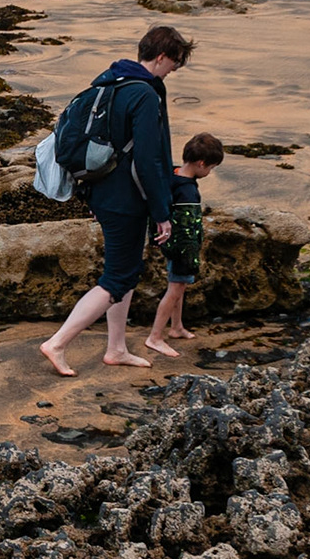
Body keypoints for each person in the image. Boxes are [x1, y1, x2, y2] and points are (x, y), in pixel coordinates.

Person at [39, 24, 194, 376]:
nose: (173, 71)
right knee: (118, 276)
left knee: (123, 272)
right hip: (126, 199)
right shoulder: (143, 94)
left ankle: (117, 348)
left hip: (103, 192)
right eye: (175, 64)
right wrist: (162, 212)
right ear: (161, 57)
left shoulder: (108, 83)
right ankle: (58, 343)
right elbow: (149, 160)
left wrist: (90, 196)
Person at [144, 133, 225, 358]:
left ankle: (177, 327)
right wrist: (191, 256)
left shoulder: (173, 174)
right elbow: (188, 226)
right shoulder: (188, 191)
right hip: (182, 249)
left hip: (169, 243)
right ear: (201, 164)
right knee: (174, 290)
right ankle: (155, 336)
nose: (209, 172)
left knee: (178, 287)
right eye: (211, 167)